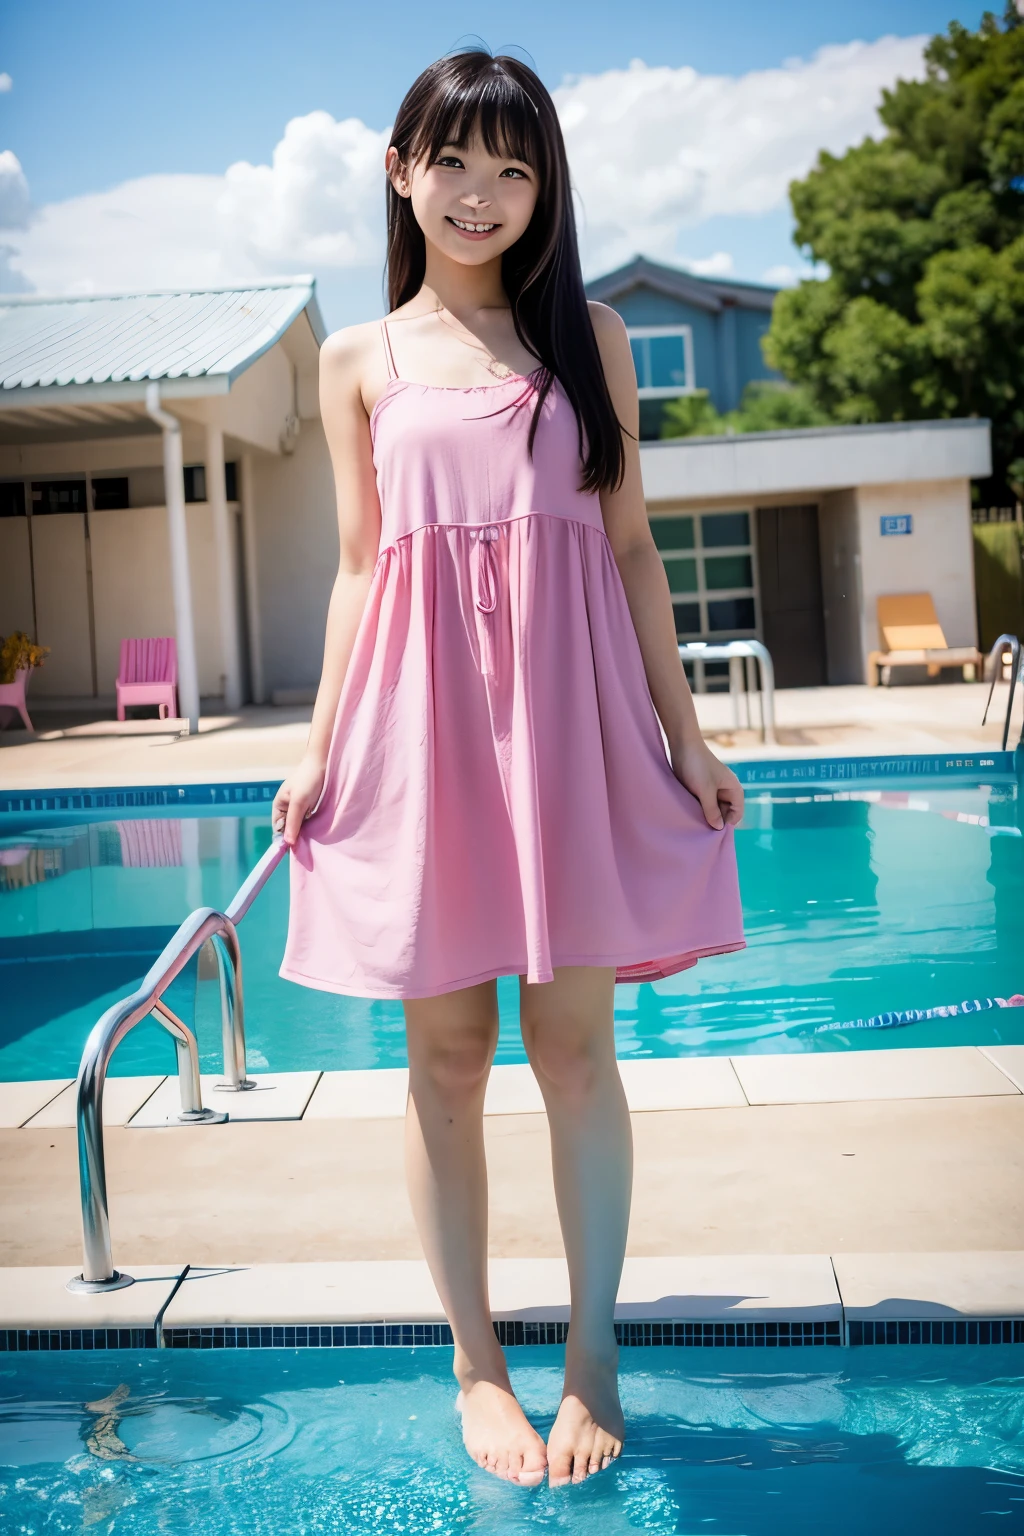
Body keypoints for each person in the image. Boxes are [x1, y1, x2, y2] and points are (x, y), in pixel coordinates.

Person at [273, 49, 745, 1490]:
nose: (481, 195)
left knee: (577, 1048)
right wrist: (316, 749)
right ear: (403, 172)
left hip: (573, 725)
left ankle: (590, 1350)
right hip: (425, 737)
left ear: (545, 189)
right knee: (444, 1056)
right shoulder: (360, 358)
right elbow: (362, 571)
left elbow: (632, 549)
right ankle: (477, 1363)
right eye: (455, 163)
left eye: (514, 167)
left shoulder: (590, 338)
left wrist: (687, 733)